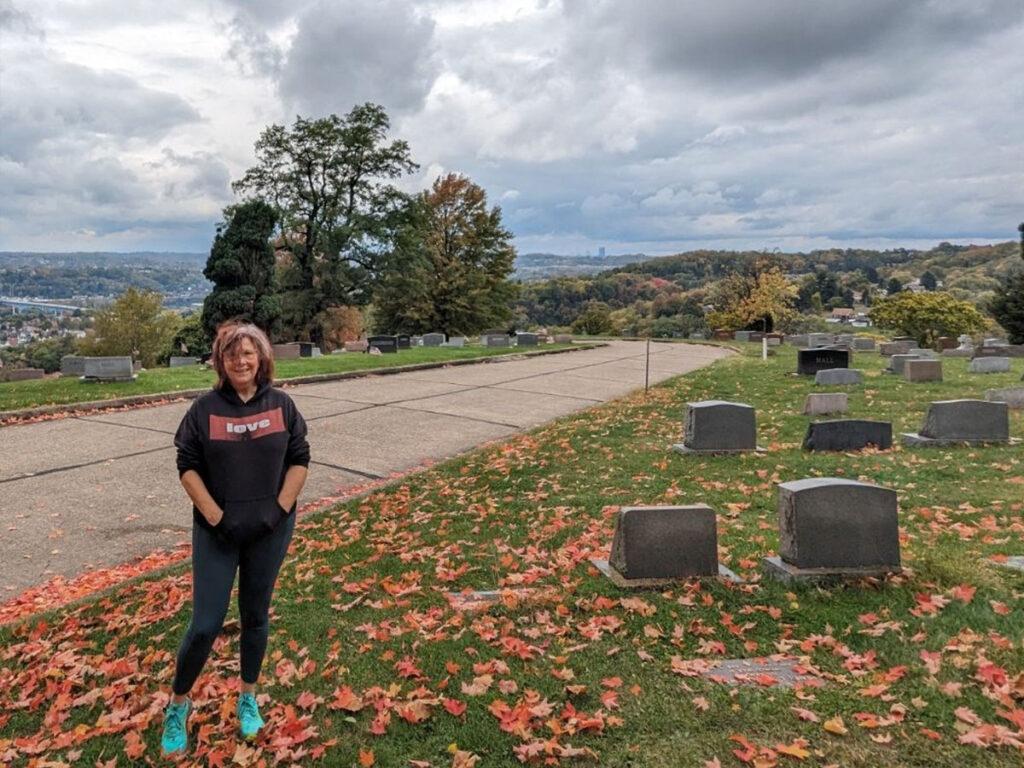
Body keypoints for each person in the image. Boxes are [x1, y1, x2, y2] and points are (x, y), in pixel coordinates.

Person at [161, 322, 309, 755]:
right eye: (232, 355)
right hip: (217, 532)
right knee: (206, 624)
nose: (241, 361)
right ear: (220, 361)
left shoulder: (282, 404)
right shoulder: (204, 409)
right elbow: (186, 465)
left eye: (249, 353)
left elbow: (300, 458)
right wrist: (215, 515)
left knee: (255, 616)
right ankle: (177, 704)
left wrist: (279, 508)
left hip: (269, 529)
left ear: (262, 358)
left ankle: (247, 696)